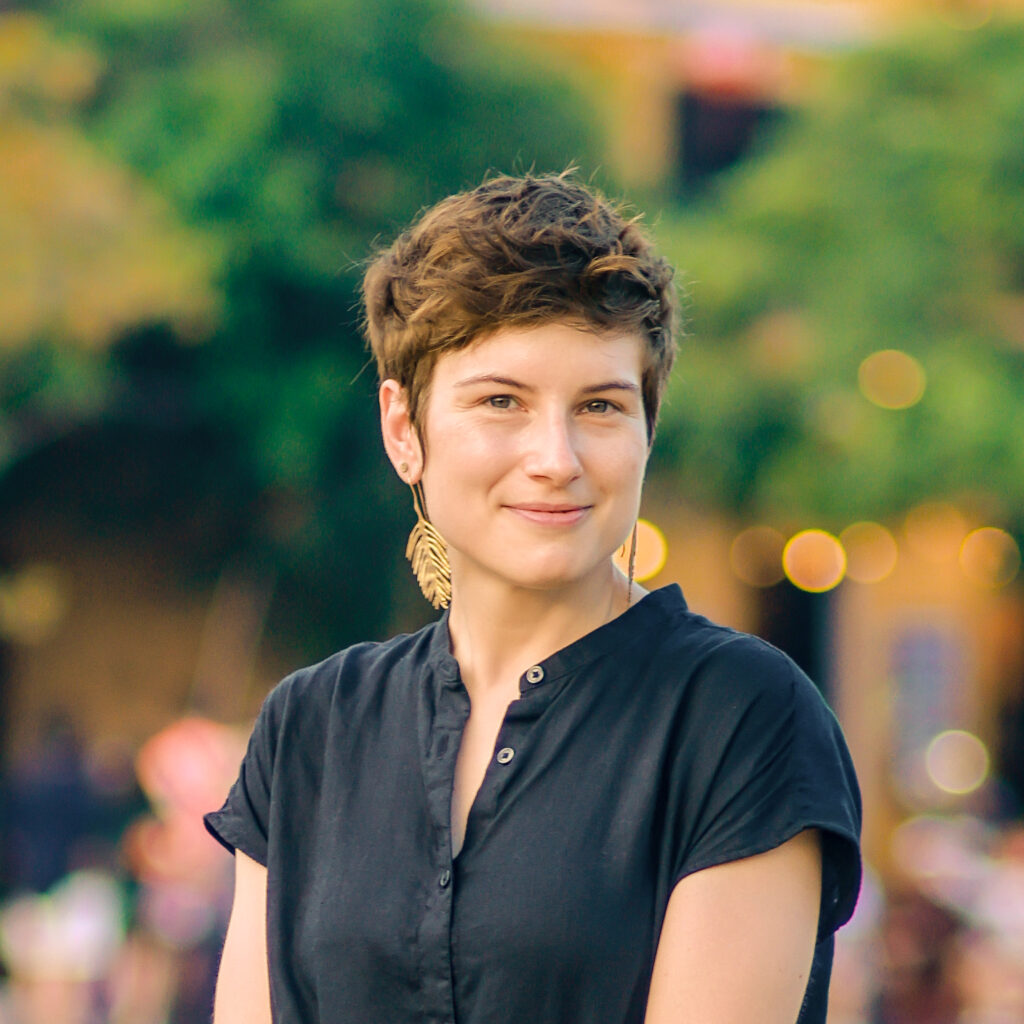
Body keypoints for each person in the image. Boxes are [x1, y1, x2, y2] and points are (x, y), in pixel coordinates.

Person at [204, 170, 861, 1024]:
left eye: (599, 406)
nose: (556, 457)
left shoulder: (742, 718)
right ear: (405, 430)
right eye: (501, 401)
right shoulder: (312, 726)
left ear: (646, 432)